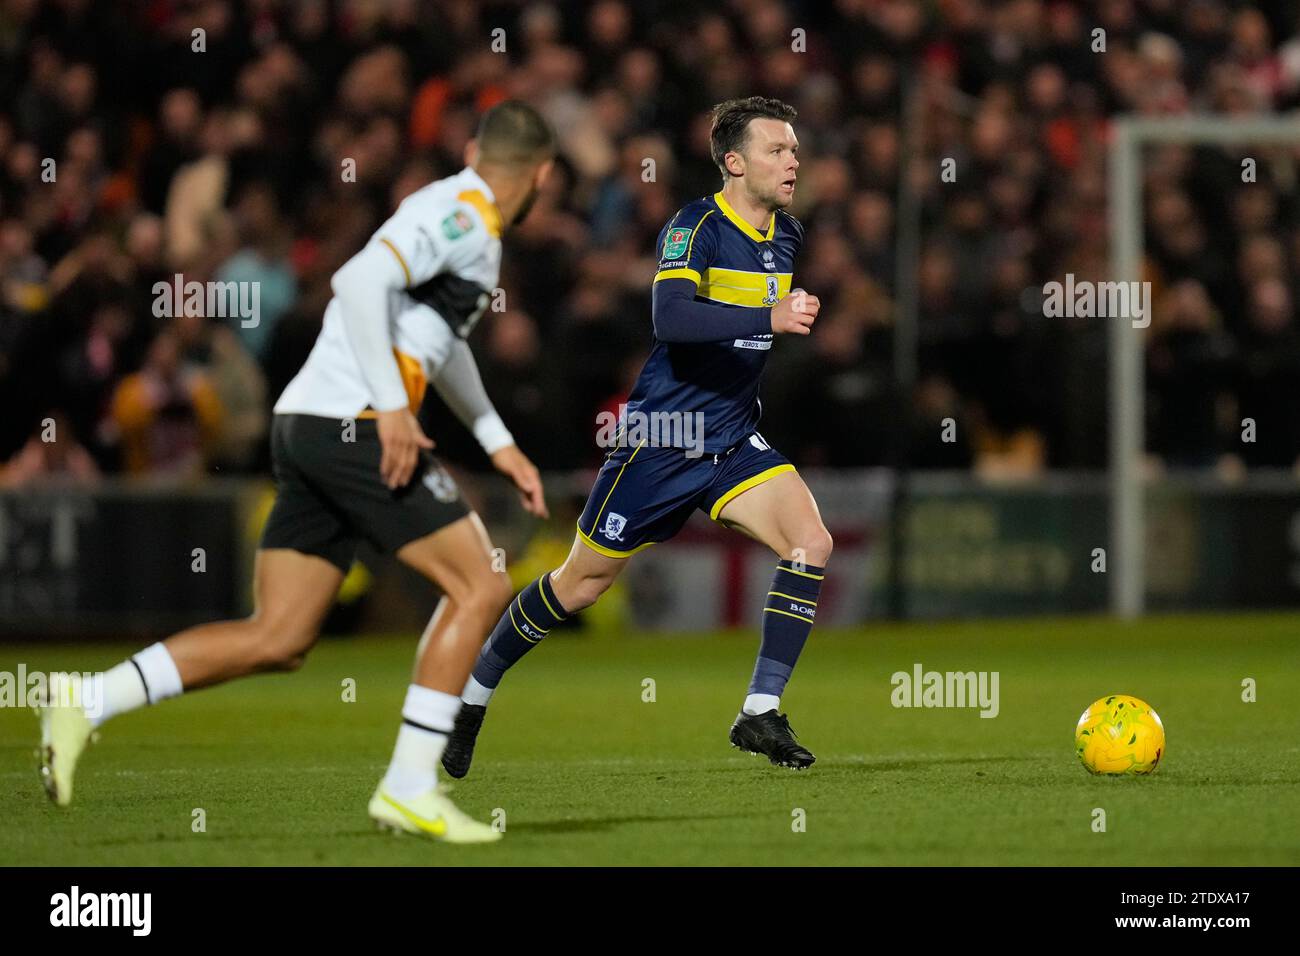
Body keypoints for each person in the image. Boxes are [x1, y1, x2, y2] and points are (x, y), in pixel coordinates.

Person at [38, 101, 556, 844]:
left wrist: (495, 439)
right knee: (480, 584)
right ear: (542, 174)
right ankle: (410, 787)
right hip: (353, 426)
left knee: (278, 636)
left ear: (477, 148)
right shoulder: (463, 216)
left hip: (310, 425)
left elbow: (437, 340)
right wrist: (391, 409)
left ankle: (86, 699)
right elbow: (357, 281)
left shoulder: (463, 217)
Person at [443, 97, 831, 778]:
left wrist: (777, 318)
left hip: (733, 437)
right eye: (777, 149)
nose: (792, 160)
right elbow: (673, 319)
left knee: (811, 542)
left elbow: (743, 337)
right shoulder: (697, 226)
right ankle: (472, 695)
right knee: (579, 585)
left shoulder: (788, 235)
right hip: (663, 437)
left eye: (795, 149)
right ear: (734, 162)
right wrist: (769, 312)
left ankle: (759, 711)